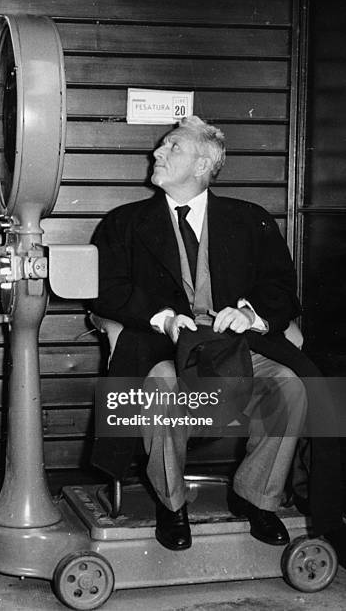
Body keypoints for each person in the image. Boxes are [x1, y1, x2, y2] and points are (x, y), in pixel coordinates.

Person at [90, 116, 346, 561]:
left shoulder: (250, 219)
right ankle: (172, 506)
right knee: (161, 389)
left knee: (290, 384)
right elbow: (107, 290)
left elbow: (281, 288)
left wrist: (250, 314)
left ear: (204, 164)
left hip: (238, 349)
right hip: (163, 346)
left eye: (172, 147)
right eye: (162, 147)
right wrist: (162, 318)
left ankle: (255, 497)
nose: (157, 153)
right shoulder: (124, 223)